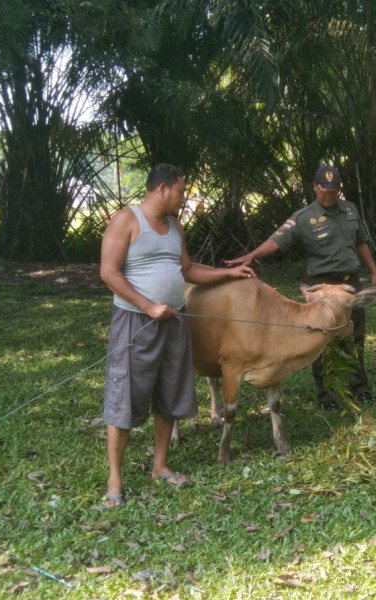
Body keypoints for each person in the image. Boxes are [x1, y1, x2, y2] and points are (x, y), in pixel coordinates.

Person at [99, 163, 256, 507]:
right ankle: (115, 480)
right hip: (136, 323)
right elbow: (109, 273)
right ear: (162, 189)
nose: (184, 199)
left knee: (169, 392)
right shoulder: (126, 221)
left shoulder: (174, 227)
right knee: (125, 395)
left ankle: (160, 465)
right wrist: (148, 305)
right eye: (182, 191)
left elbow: (187, 270)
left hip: (174, 320)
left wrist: (229, 276)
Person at [226, 165, 376, 409]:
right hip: (323, 287)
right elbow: (276, 240)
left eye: (333, 191)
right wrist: (251, 256)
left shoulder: (350, 210)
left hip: (350, 284)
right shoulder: (304, 217)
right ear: (314, 187)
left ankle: (359, 387)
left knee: (354, 337)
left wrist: (374, 271)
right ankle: (327, 396)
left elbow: (361, 242)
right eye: (324, 190)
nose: (328, 195)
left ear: (339, 189)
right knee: (320, 340)